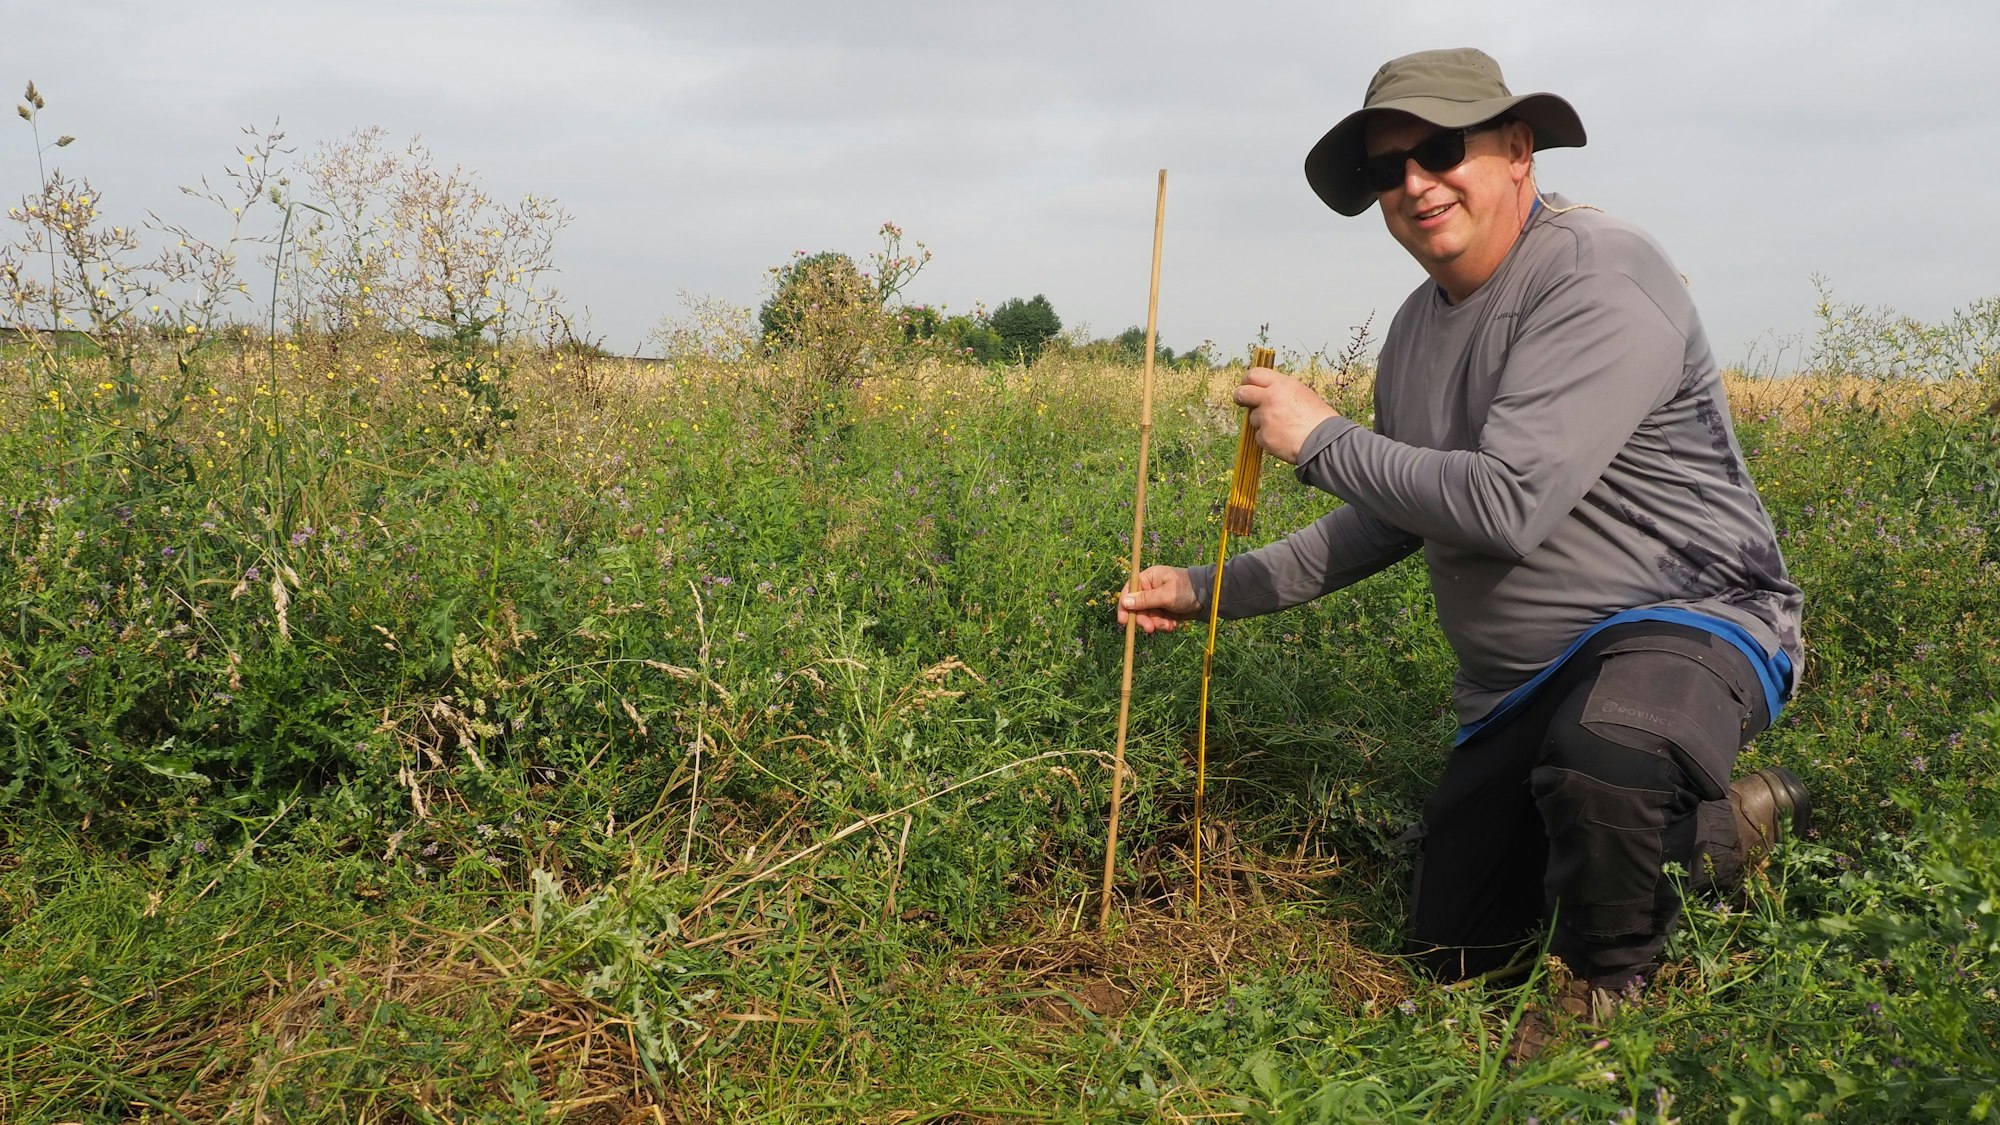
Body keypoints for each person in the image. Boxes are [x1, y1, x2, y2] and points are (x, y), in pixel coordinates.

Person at [1116, 47, 1809, 1043]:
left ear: (1516, 149)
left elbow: (1504, 504)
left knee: (1606, 750)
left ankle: (1600, 1002)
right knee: (1456, 947)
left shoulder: (1597, 274)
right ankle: (1719, 831)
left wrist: (1319, 438)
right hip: (1518, 688)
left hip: (1688, 621)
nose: (1413, 183)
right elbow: (1399, 513)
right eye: (1388, 169)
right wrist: (1205, 588)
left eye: (1440, 150)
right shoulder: (1412, 332)